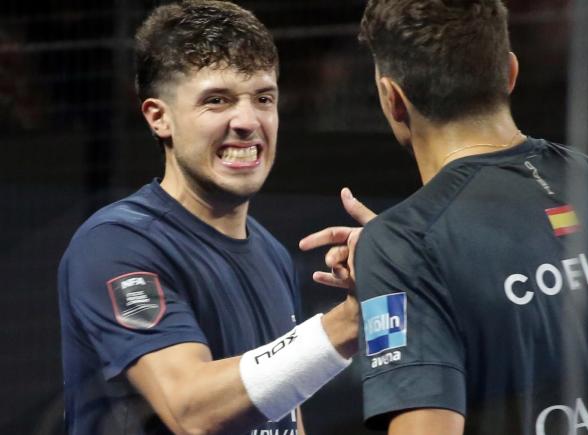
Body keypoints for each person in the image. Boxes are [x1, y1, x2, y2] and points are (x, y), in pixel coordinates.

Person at [305, 1, 588, 434]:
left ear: (392, 98)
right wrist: (406, 267)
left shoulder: (404, 244)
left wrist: (400, 256)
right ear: (509, 73)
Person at [56, 1, 372, 434]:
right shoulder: (114, 245)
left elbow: (282, 411)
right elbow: (190, 410)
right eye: (217, 100)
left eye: (263, 98)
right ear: (159, 117)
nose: (247, 121)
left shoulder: (272, 253)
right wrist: (351, 321)